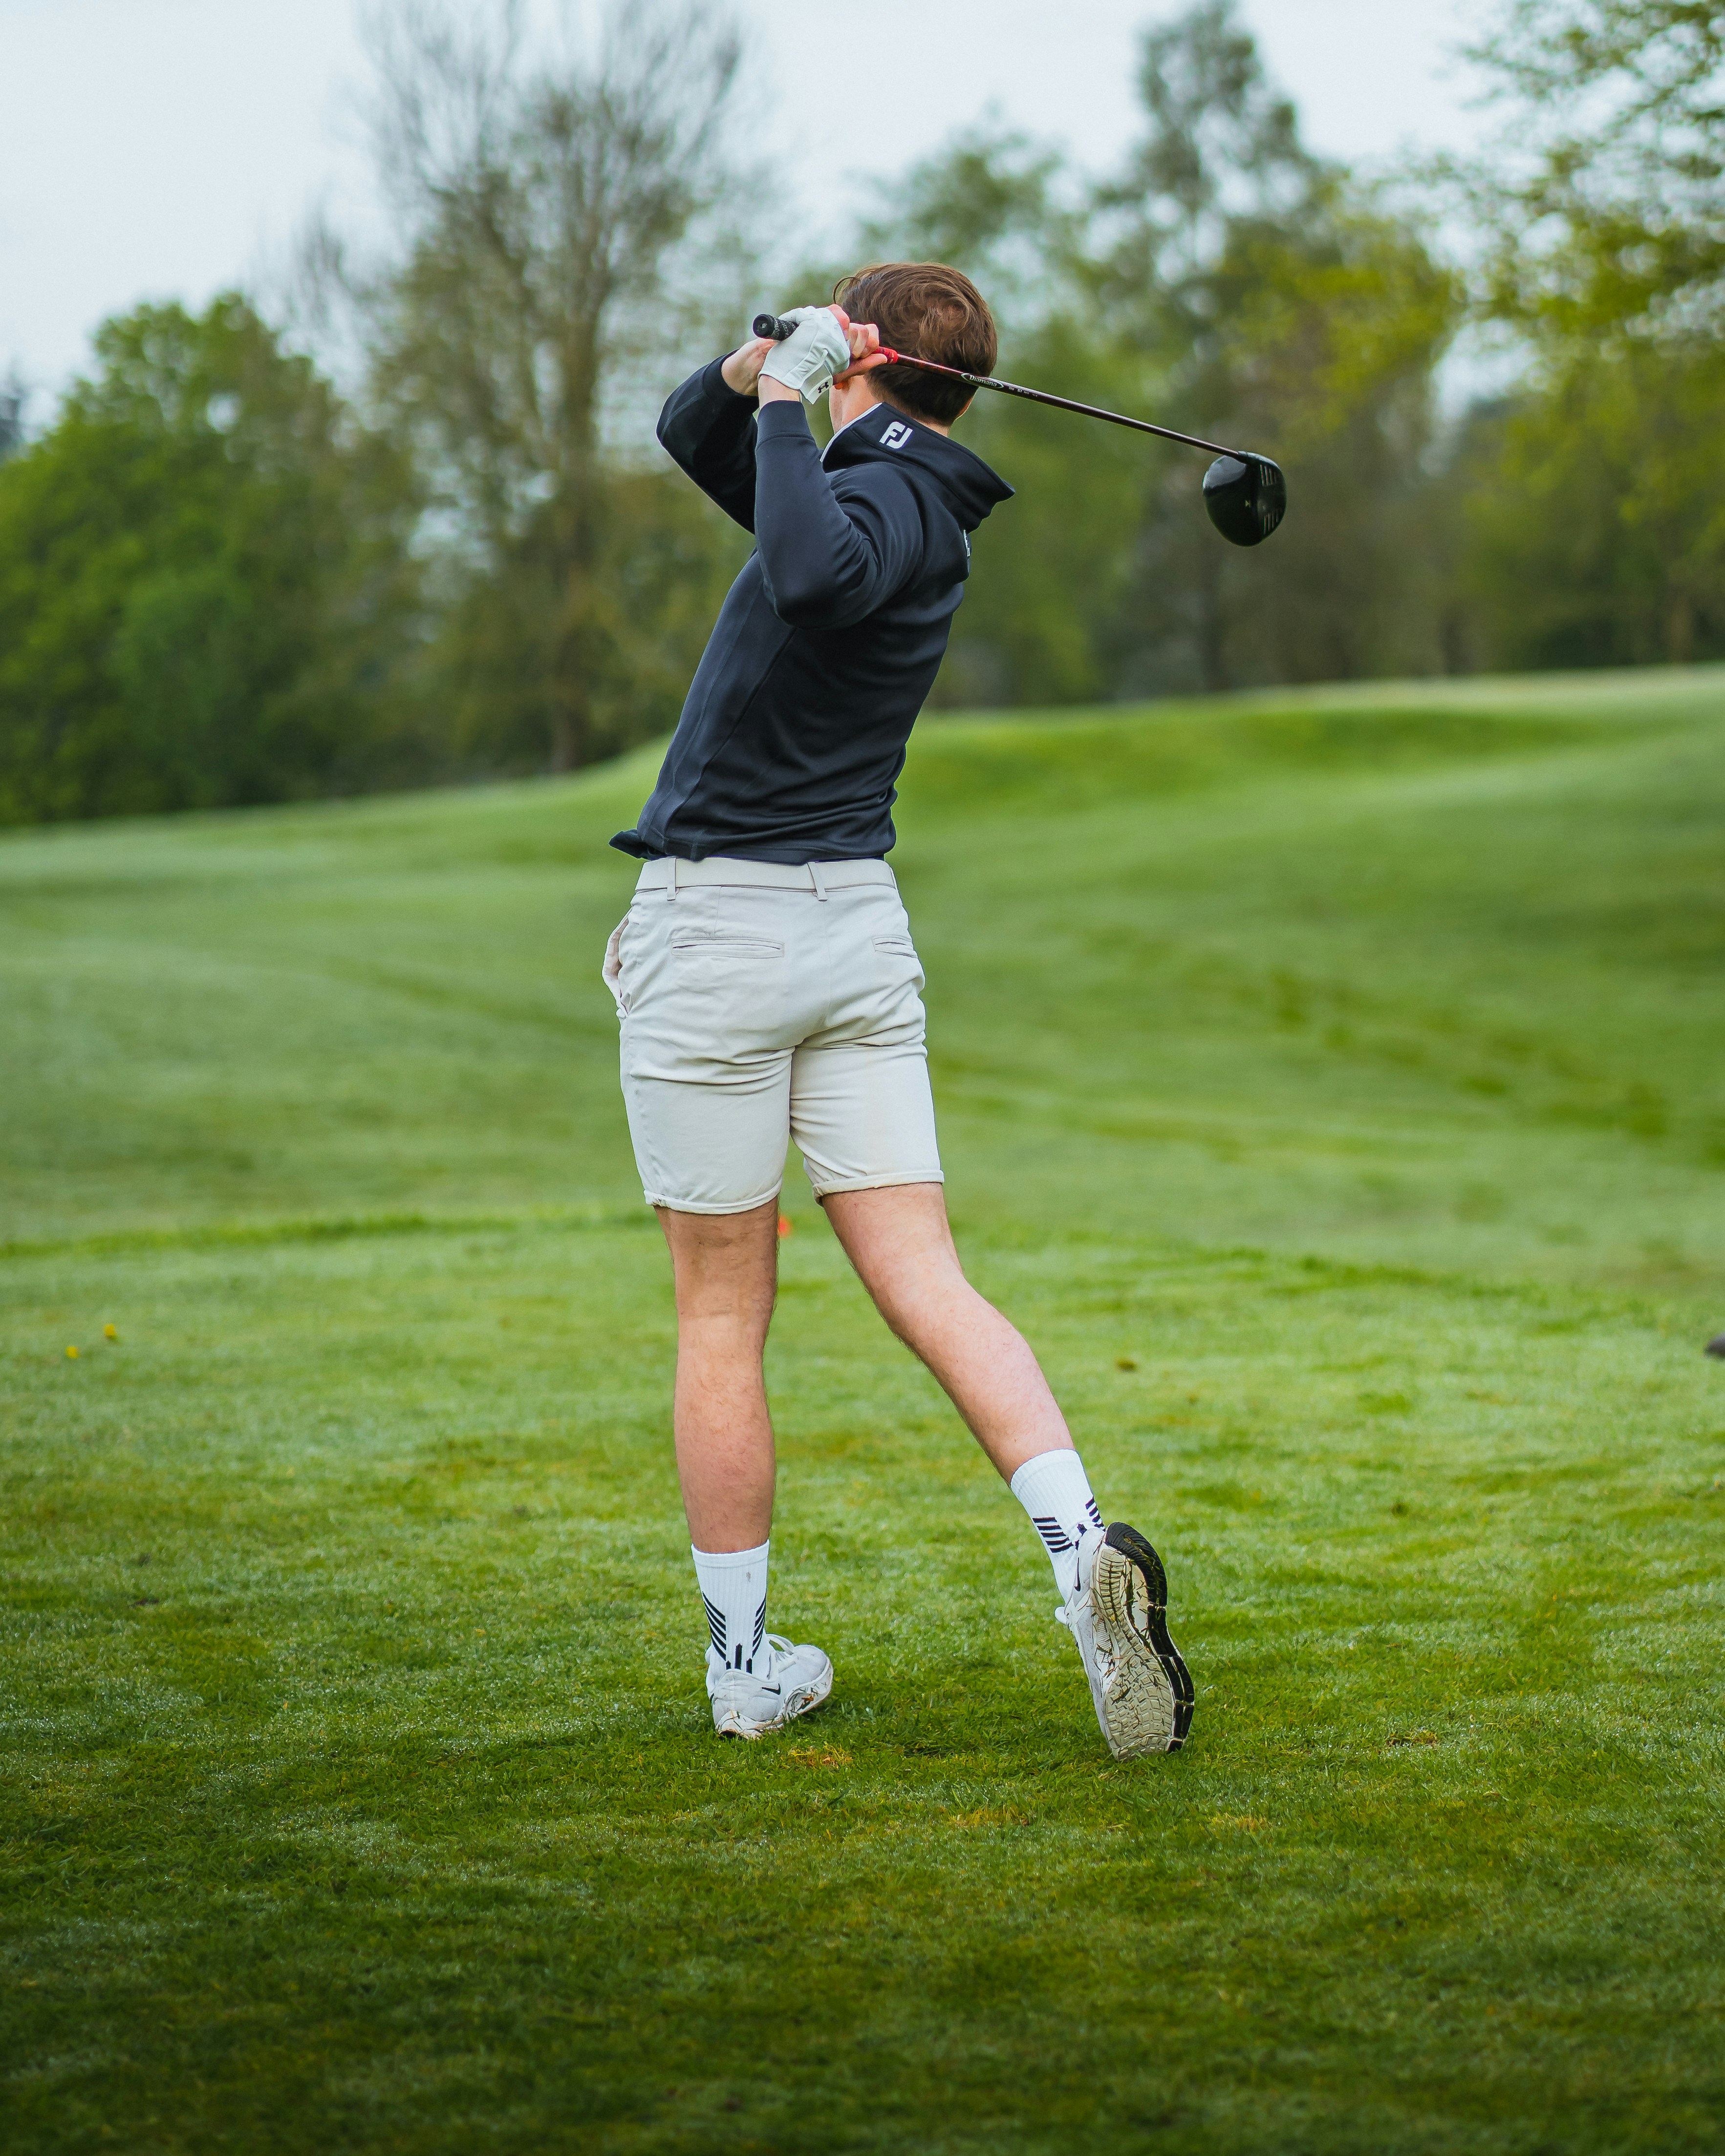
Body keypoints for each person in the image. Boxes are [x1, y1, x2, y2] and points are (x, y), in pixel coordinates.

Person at [604, 261, 1192, 1757]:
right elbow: (691, 434)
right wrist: (762, 376)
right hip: (851, 934)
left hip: (724, 932)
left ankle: (743, 1665)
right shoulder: (887, 488)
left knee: (722, 1311)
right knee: (923, 1276)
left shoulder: (869, 508)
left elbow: (804, 572)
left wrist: (801, 389)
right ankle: (1077, 1563)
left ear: (864, 353)